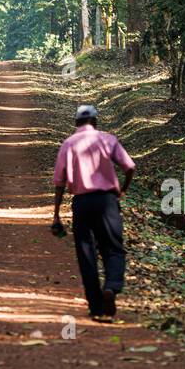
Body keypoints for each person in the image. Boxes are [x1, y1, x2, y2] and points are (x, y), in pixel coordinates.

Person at [51, 104, 135, 323]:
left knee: (86, 253)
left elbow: (59, 183)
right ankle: (112, 286)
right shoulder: (108, 139)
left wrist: (56, 215)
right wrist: (122, 190)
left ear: (76, 123)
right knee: (113, 248)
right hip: (107, 201)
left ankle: (96, 306)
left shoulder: (68, 144)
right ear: (95, 122)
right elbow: (130, 167)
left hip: (82, 203)